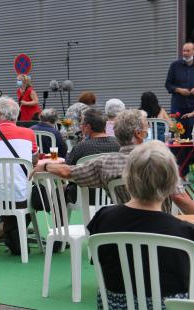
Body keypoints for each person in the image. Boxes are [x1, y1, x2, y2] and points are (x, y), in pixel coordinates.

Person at [87, 140, 194, 308]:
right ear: (171, 183)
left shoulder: (102, 218)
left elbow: (101, 263)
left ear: (128, 177)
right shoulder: (185, 232)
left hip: (116, 305)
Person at [32, 109, 194, 214]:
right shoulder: (161, 159)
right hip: (161, 231)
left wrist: (45, 164)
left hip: (123, 232)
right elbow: (180, 199)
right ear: (139, 134)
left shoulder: (104, 163)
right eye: (147, 128)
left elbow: (68, 171)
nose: (148, 131)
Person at [0, 96, 39, 255]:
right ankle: (13, 233)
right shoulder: (29, 133)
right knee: (34, 193)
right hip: (21, 197)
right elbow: (35, 160)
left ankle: (10, 233)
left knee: (6, 187)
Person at [165, 42, 194, 139]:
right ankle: (177, 154)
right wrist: (178, 90)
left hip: (192, 107)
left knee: (191, 134)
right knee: (177, 134)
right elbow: (168, 84)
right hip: (178, 106)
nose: (185, 53)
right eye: (184, 50)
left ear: (193, 51)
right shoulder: (175, 65)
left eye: (188, 51)